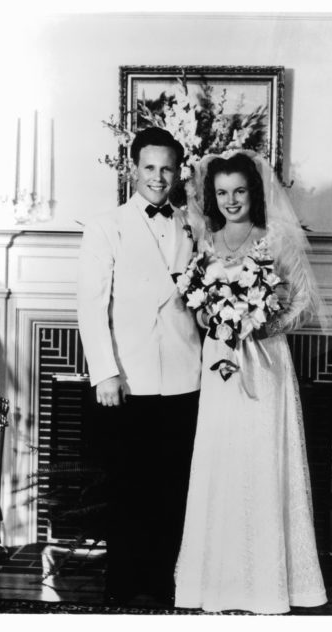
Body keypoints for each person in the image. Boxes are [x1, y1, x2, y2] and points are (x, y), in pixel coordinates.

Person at [174, 152, 332, 614]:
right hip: (220, 362)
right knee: (221, 460)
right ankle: (217, 583)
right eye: (222, 193)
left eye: (239, 191)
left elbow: (301, 303)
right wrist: (212, 315)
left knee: (263, 458)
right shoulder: (205, 241)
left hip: (263, 361)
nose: (231, 201)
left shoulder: (276, 239)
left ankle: (267, 584)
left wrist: (261, 323)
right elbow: (195, 299)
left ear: (254, 193)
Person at [77, 127, 202, 606]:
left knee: (173, 489)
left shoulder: (192, 225)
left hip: (184, 375)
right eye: (149, 167)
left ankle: (164, 586)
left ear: (178, 171)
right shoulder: (105, 226)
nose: (158, 177)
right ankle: (124, 592)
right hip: (128, 380)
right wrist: (105, 372)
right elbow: (91, 306)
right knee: (129, 490)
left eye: (167, 168)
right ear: (133, 169)